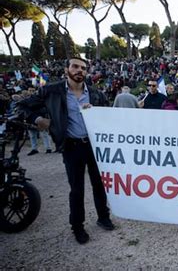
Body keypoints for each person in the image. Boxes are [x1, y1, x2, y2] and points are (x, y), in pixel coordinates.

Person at [18, 57, 115, 244]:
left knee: (99, 184)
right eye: (75, 66)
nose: (80, 70)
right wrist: (37, 119)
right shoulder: (51, 91)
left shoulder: (96, 94)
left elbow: (107, 117)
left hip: (95, 146)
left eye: (83, 68)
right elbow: (21, 106)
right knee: (76, 189)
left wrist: (95, 113)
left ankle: (103, 217)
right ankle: (77, 227)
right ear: (67, 69)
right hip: (71, 146)